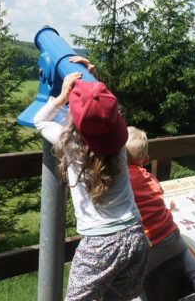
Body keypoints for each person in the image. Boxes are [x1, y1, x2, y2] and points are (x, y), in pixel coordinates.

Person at [33, 68, 149, 301]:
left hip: (100, 245)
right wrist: (92, 80)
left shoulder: (70, 145)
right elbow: (106, 111)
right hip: (135, 235)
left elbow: (40, 120)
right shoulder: (120, 143)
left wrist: (63, 97)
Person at [126, 126, 195, 301]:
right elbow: (158, 191)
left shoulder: (122, 180)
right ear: (145, 159)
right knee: (183, 250)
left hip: (149, 244)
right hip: (171, 235)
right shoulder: (149, 177)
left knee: (132, 277)